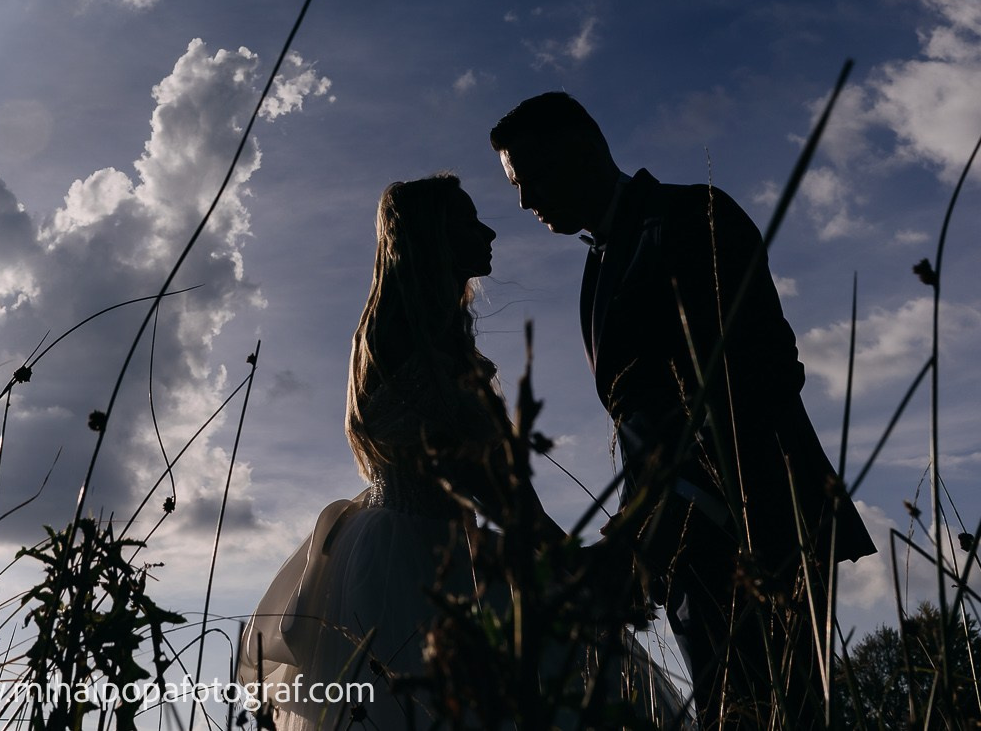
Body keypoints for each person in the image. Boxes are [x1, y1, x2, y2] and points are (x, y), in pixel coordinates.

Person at [489, 91, 875, 730]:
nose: (525, 203)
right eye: (516, 188)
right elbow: (638, 427)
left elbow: (759, 373)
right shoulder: (596, 266)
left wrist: (649, 531)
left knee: (785, 712)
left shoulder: (693, 214)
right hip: (681, 554)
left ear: (583, 150)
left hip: (753, 527)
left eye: (530, 180)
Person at [238, 175, 677, 729]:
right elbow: (481, 481)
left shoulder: (415, 337)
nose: (489, 229)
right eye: (469, 221)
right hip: (417, 559)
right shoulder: (413, 345)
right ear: (434, 237)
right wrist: (571, 562)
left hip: (415, 543)